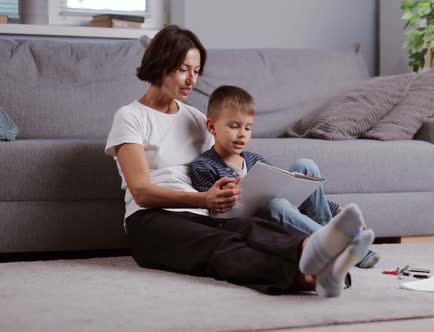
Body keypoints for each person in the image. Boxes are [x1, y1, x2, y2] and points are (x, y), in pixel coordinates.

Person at [104, 25, 375, 297]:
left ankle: (314, 251)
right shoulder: (130, 116)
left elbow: (222, 164)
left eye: (196, 71)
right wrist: (204, 199)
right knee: (222, 246)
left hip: (200, 214)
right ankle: (308, 277)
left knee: (252, 227)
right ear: (161, 65)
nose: (191, 80)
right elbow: (141, 191)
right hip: (151, 221)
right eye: (183, 69)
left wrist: (231, 192)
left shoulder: (196, 119)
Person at [189, 85, 380, 268]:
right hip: (253, 223)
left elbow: (282, 188)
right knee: (276, 204)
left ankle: (326, 235)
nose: (242, 134)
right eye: (234, 126)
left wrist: (336, 208)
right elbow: (209, 209)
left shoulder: (256, 160)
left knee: (306, 165)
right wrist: (228, 195)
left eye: (247, 128)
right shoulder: (203, 166)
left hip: (281, 213)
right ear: (212, 127)